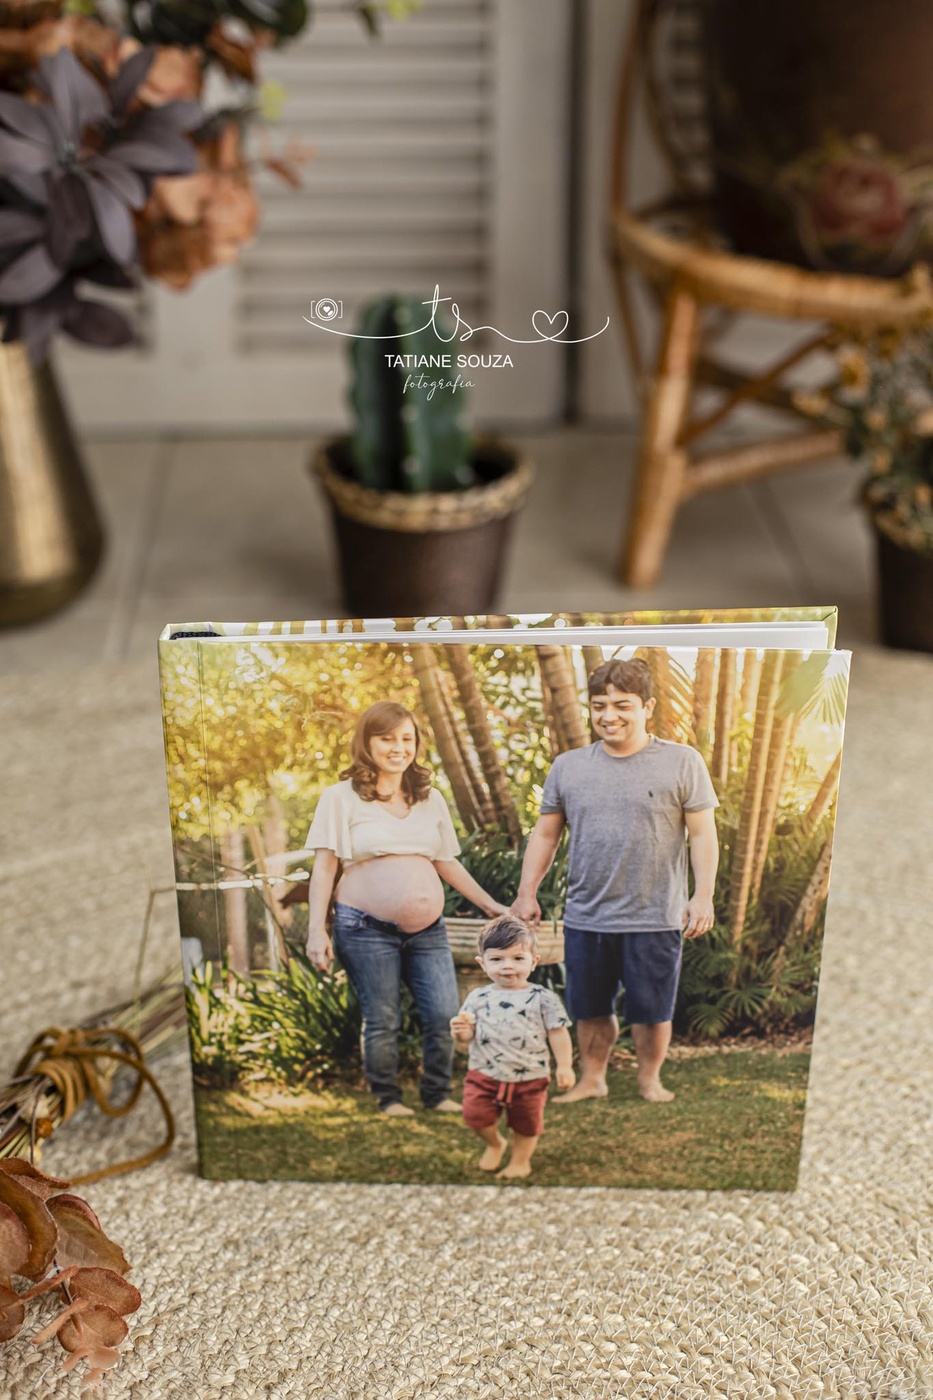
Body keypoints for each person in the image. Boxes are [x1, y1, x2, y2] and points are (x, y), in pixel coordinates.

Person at [512, 657, 719, 1104]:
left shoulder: (682, 762)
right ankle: (593, 1079)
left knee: (652, 1010)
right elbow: (546, 835)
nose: (609, 716)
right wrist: (526, 892)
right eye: (599, 706)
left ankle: (649, 1080)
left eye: (622, 705)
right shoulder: (568, 767)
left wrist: (703, 895)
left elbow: (703, 834)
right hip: (587, 915)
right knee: (589, 1006)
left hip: (655, 913)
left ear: (648, 707)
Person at [305, 700, 508, 1117]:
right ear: (367, 743)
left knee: (443, 1013)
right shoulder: (340, 798)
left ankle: (436, 1093)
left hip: (428, 930)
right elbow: (324, 867)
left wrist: (491, 905)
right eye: (387, 739)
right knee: (383, 1017)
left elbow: (446, 862)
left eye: (406, 738)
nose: (398, 748)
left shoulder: (429, 799)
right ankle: (388, 1098)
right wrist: (316, 930)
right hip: (364, 927)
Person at [451, 915, 575, 1179]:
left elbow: (558, 1033)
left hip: (530, 1075)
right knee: (475, 1117)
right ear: (483, 963)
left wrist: (565, 1066)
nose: (507, 966)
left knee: (526, 1123)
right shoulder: (477, 997)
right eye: (497, 959)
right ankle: (495, 1143)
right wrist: (462, 1032)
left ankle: (521, 1161)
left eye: (518, 958)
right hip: (484, 1073)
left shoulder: (543, 998)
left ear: (534, 961)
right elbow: (468, 1036)